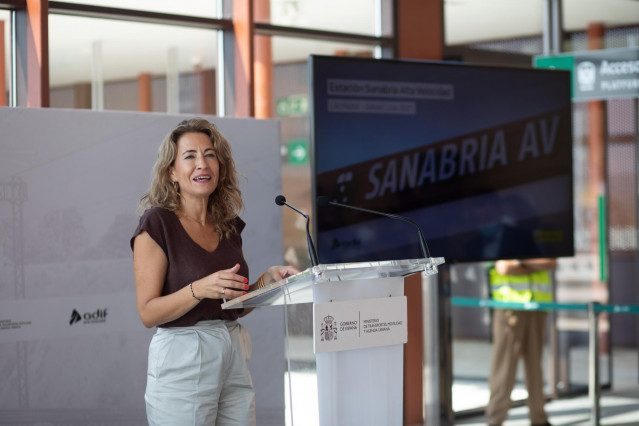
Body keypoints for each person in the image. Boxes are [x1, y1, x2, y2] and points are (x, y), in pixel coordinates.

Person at [130, 118, 298, 425]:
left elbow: (233, 305)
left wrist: (267, 281)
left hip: (233, 349)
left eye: (210, 154)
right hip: (182, 356)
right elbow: (147, 313)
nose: (202, 164)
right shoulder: (157, 223)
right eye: (190, 156)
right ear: (172, 172)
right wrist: (198, 289)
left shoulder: (228, 225)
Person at [486, 258, 557, 426]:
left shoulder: (539, 233)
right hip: (508, 308)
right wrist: (533, 265)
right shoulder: (503, 234)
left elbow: (550, 263)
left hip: (537, 307)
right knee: (504, 367)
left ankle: (539, 419)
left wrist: (520, 263)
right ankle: (495, 420)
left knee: (535, 366)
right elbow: (503, 267)